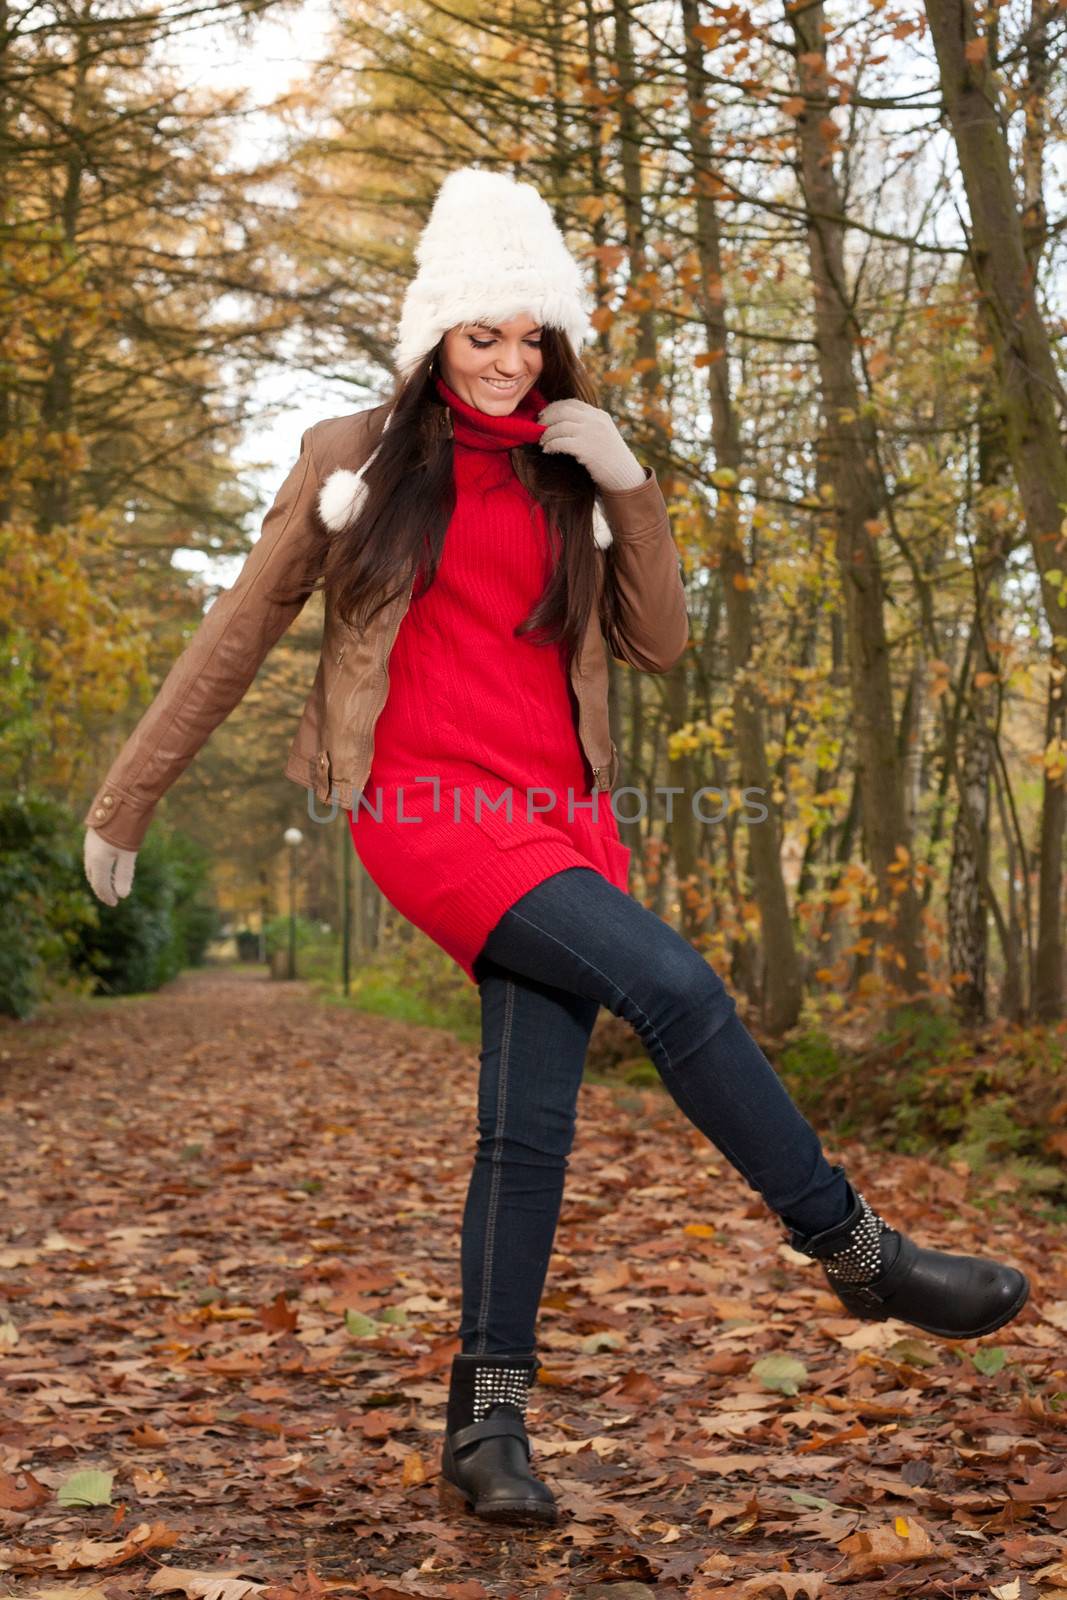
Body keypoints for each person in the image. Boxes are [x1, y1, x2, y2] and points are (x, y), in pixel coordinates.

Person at [83, 166, 1030, 1531]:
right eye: (484, 335)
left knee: (528, 1132)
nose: (511, 362)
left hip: (563, 816)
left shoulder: (569, 460)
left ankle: (486, 1426)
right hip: (423, 810)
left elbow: (658, 643)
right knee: (683, 990)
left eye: (533, 336)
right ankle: (859, 1252)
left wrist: (629, 486)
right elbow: (238, 628)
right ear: (433, 339)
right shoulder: (350, 461)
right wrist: (129, 796)